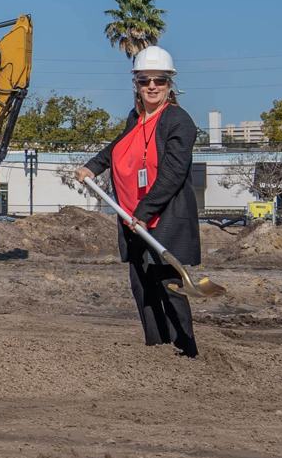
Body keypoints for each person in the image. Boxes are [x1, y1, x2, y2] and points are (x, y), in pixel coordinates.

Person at [74, 46, 201, 358]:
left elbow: (172, 173)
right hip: (133, 218)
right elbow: (117, 148)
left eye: (159, 80)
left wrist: (144, 212)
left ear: (170, 84)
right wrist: (92, 166)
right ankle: (156, 351)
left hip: (163, 218)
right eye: (145, 81)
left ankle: (185, 350)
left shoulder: (179, 121)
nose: (152, 86)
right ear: (137, 85)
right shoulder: (136, 118)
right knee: (142, 284)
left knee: (168, 283)